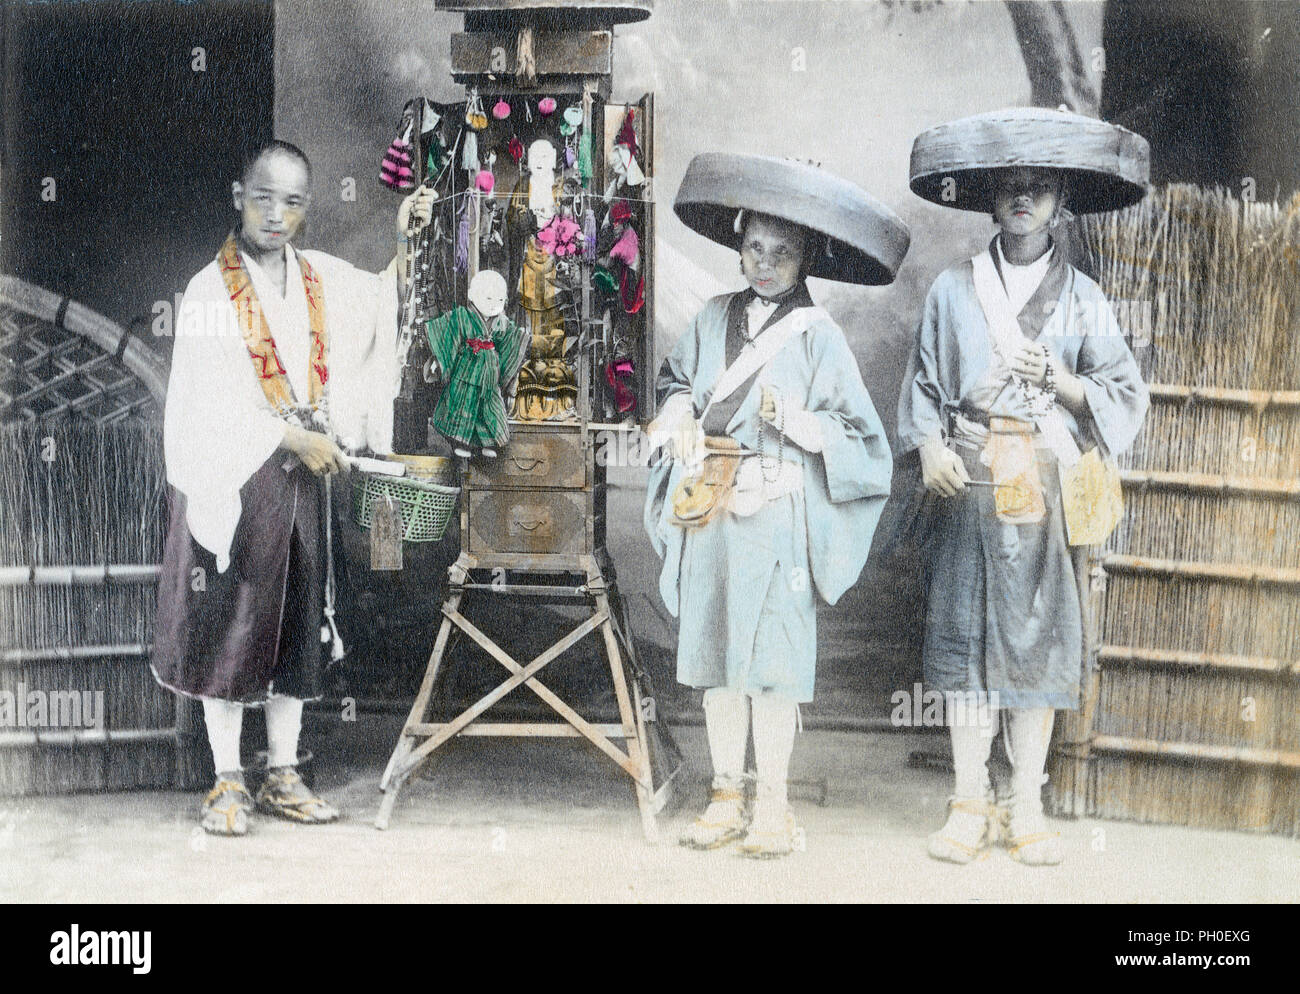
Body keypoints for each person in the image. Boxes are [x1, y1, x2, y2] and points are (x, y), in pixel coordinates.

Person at [151, 140, 435, 836]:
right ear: (236, 193)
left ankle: (281, 772)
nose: (277, 215)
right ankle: (226, 779)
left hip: (301, 484)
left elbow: (377, 304)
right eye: (263, 196)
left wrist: (403, 240)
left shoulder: (317, 278)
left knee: (298, 623)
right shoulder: (211, 292)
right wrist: (290, 437)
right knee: (228, 620)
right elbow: (207, 400)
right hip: (236, 479)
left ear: (307, 209)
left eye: (294, 202)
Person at [898, 108, 1151, 865]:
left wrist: (1067, 383)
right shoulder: (952, 290)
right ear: (990, 198)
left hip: (1042, 489)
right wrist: (929, 445)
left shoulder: (1085, 300)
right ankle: (969, 801)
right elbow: (923, 386)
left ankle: (1027, 802)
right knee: (968, 648)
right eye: (1010, 186)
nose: (1023, 199)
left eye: (1040, 188)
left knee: (1036, 651)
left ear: (1062, 201)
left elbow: (1124, 393)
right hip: (971, 483)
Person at [645, 153, 908, 857]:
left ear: (806, 260)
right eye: (754, 248)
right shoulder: (709, 317)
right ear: (738, 244)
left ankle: (772, 804)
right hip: (712, 505)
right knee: (714, 658)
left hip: (779, 518)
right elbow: (675, 382)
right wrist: (674, 413)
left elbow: (865, 442)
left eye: (782, 254)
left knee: (773, 665)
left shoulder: (820, 337)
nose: (764, 265)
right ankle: (726, 792)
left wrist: (799, 422)